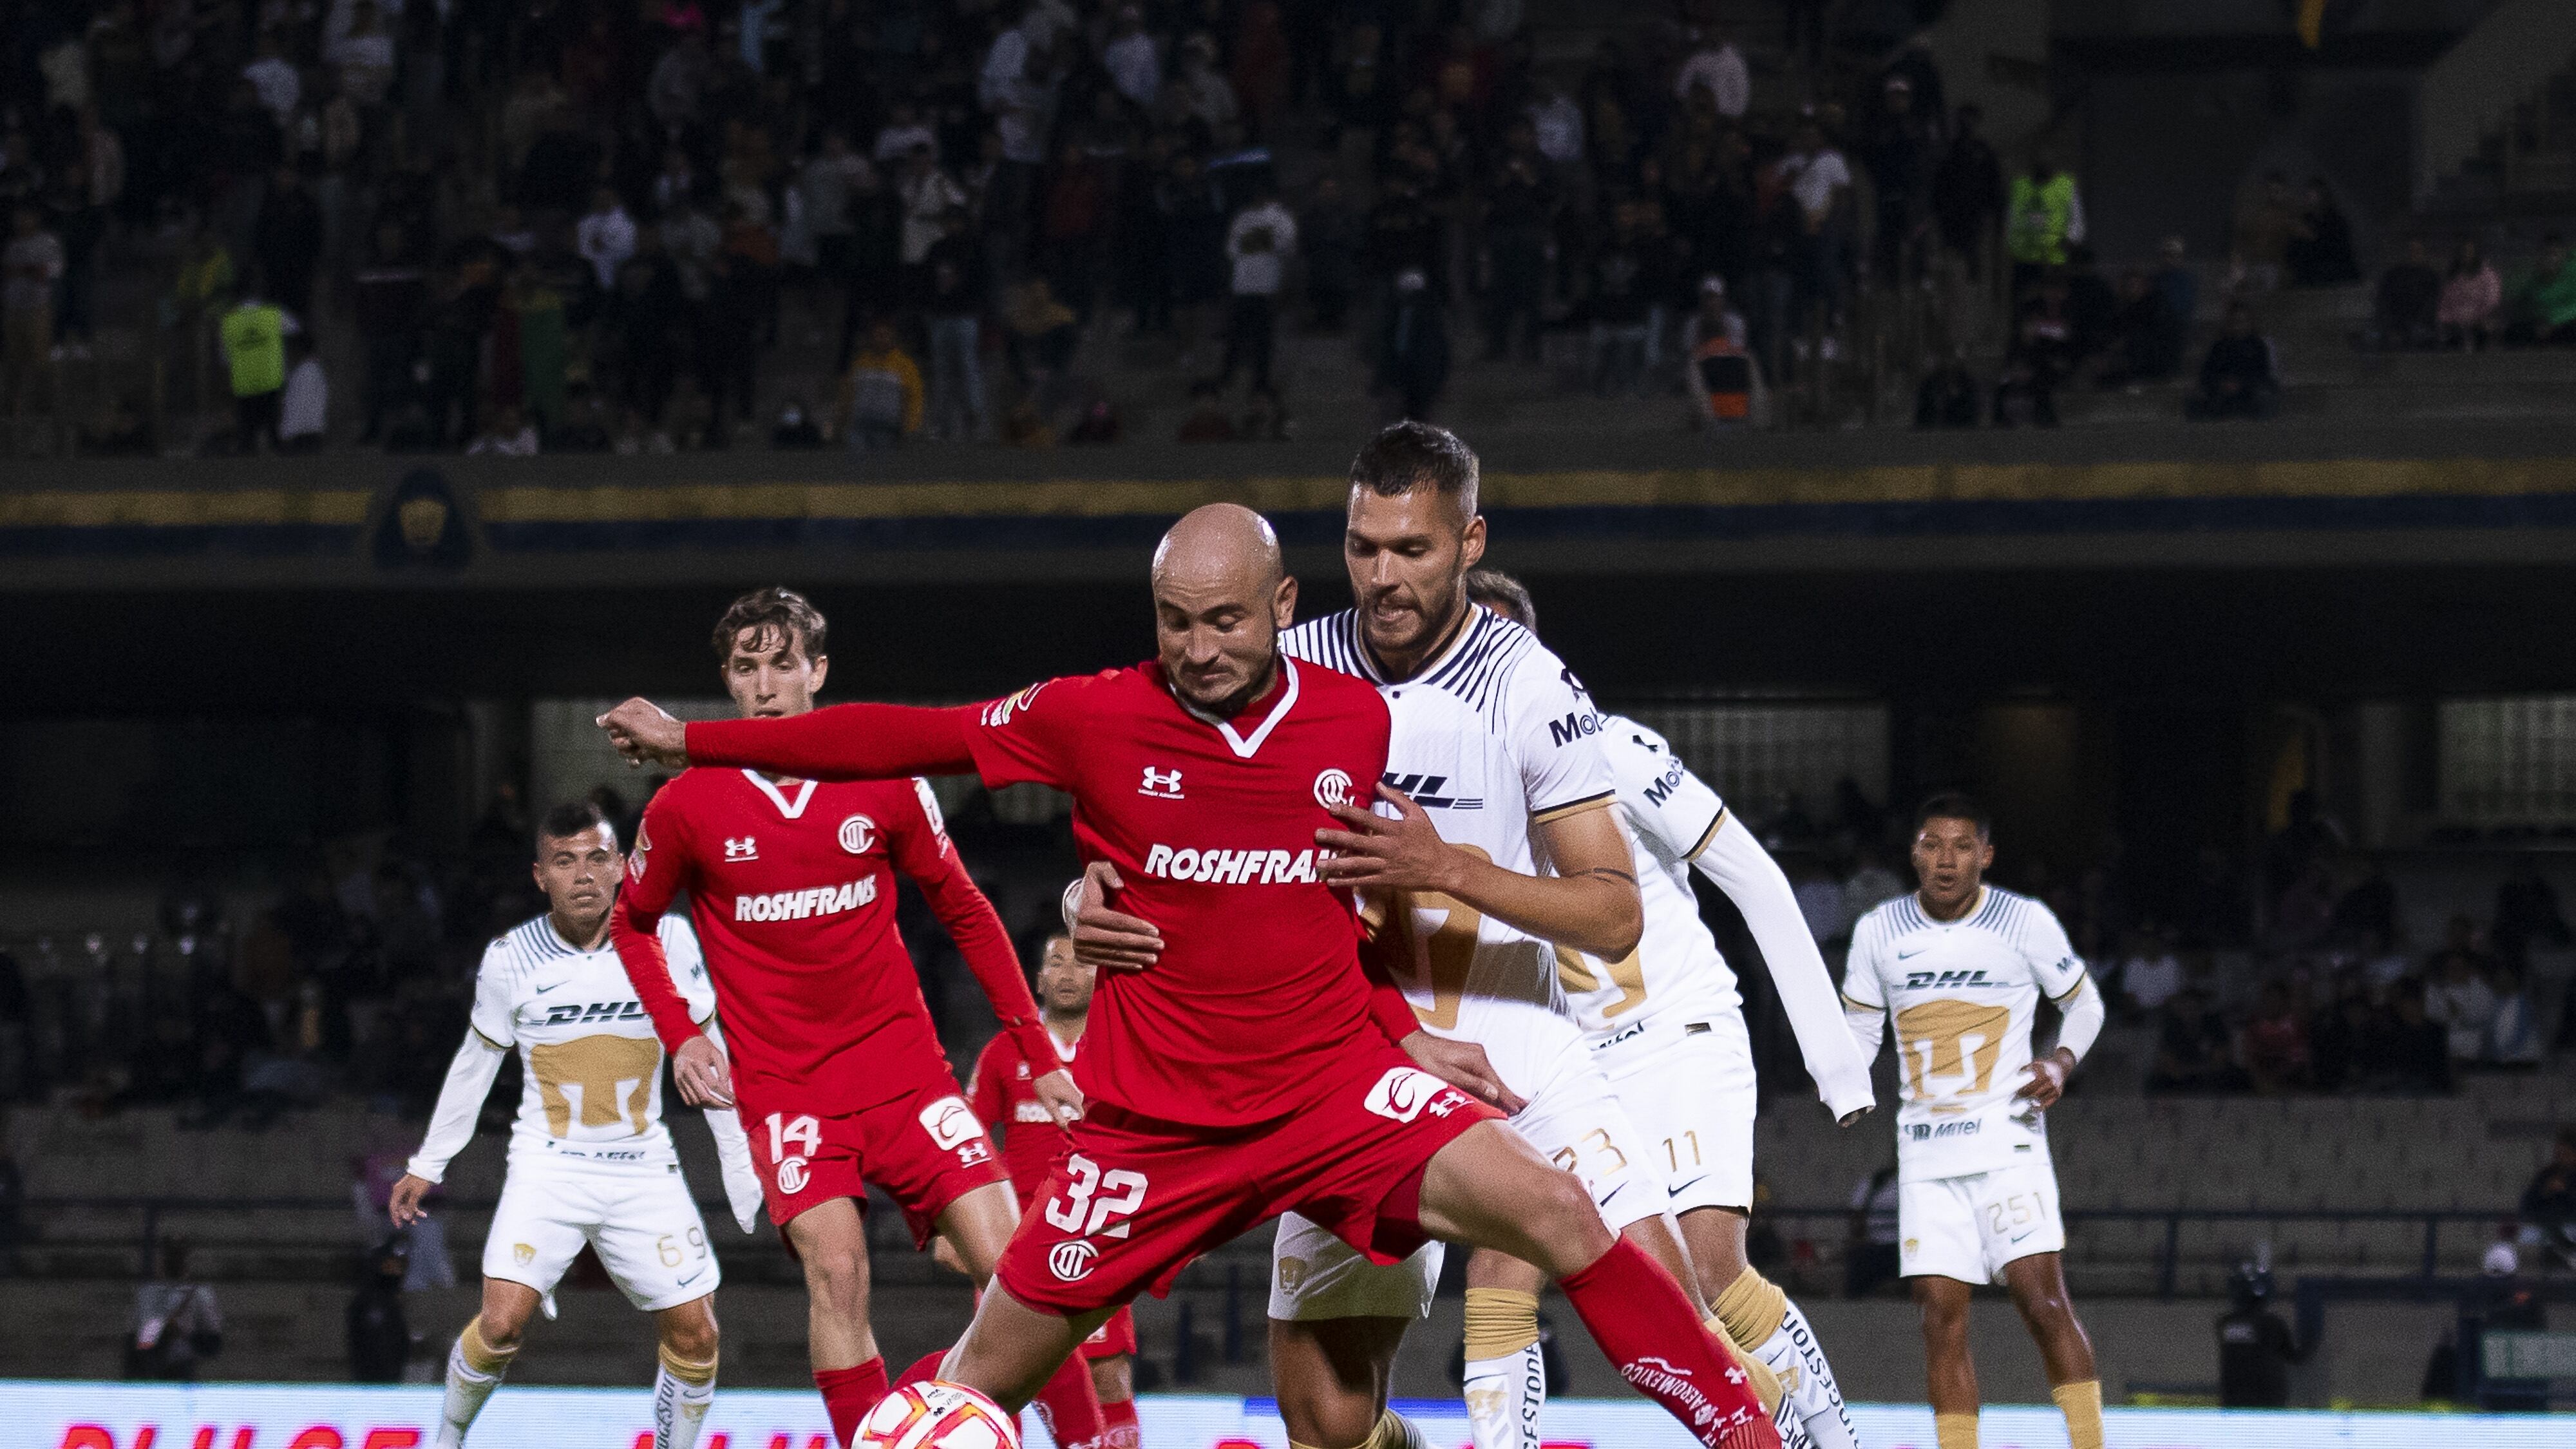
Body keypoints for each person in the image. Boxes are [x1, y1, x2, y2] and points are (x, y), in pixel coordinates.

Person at [595, 507, 1785, 1449]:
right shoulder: (1091, 716)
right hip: (1152, 1131)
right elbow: (899, 735)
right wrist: (696, 742)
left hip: (1335, 1092)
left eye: (1224, 620)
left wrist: (1398, 1033)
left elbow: (1334, 921)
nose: (1199, 650)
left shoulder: (1352, 725)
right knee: (967, 1394)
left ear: (1280, 605)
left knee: (1560, 1210)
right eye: (1174, 622)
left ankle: (1745, 1436)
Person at [607, 589, 1096, 1449]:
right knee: (837, 1271)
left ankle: (1087, 1441)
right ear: (727, 679)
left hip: (906, 1075)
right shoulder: (688, 805)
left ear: (818, 671)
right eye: (745, 668)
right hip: (791, 1092)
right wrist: (681, 1032)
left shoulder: (882, 777)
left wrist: (1036, 1047)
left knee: (1021, 1269)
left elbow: (968, 910)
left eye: (782, 663)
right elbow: (630, 920)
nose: (764, 685)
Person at [1464, 567, 1877, 1449]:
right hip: (1566, 1068)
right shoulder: (1444, 791)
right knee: (1499, 1266)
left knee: (1712, 1265)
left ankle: (1825, 1437)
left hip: (1676, 1036)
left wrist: (1835, 1058)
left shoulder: (1611, 749)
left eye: (1494, 644)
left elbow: (1756, 878)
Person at [390, 800, 757, 1449]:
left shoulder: (667, 940)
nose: (582, 874)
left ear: (621, 867)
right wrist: (428, 1163)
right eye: (565, 862)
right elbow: (476, 1066)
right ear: (541, 876)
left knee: (698, 1333)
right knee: (500, 1324)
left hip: (643, 1165)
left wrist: (739, 1162)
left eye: (596, 859)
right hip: (548, 1164)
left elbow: (710, 1052)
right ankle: (445, 1440)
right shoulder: (511, 957)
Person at [1842, 793, 2108, 1449]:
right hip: (1926, 1155)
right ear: (1913, 852)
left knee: (2042, 1304)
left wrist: (2061, 1063)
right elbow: (1858, 1029)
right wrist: (1838, 1077)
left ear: (1985, 855)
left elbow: (2086, 1006)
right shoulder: (1878, 929)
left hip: (2006, 1145)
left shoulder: (2025, 922)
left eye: (1962, 847)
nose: (1946, 860)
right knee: (1939, 1318)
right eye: (1932, 845)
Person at [969, 936, 1146, 1449]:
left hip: (1098, 1233)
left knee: (1107, 1371)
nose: (1068, 972)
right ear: (1039, 979)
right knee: (998, 1375)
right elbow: (971, 1132)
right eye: (1055, 961)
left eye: (1082, 962)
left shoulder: (1122, 1043)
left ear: (1101, 976)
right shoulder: (1005, 1051)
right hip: (1015, 1241)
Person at [1209, 180, 1295, 395]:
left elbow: (1286, 246)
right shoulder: (1242, 218)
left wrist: (1253, 242)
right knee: (1235, 334)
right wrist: (1261, 241)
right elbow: (1232, 249)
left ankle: (1261, 381)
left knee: (1264, 337)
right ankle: (1227, 374)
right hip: (1243, 285)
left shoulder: (1281, 218)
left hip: (1267, 286)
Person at [220, 276, 299, 453]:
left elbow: (224, 357)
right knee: (274, 432)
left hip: (244, 383)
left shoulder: (229, 321)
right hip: (271, 379)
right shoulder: (273, 314)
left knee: (247, 437)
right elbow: (296, 329)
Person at [127, 1239, 223, 1381]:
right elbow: (143, 1340)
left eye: (179, 1257)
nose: (175, 1261)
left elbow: (213, 1340)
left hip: (187, 1365)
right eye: (171, 1257)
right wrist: (165, 1327)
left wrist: (187, 1335)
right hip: (154, 1365)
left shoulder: (200, 1294)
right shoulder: (149, 1294)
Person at [2215, 1262, 2306, 1408]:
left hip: (2234, 1403)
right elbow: (2295, 1356)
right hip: (2268, 1402)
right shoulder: (2272, 1324)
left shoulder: (2224, 1324)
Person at [839, 319, 924, 450]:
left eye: (885, 335)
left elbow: (913, 399)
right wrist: (841, 423)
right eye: (877, 335)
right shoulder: (860, 363)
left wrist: (909, 427)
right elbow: (848, 395)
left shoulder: (905, 366)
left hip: (888, 429)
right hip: (859, 427)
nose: (881, 339)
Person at [2187, 304, 2279, 421]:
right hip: (2221, 389)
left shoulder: (2258, 345)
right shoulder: (2220, 346)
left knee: (2264, 397)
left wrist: (2242, 383)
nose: (2238, 326)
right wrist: (2223, 383)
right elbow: (2207, 372)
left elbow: (2263, 372)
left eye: (2242, 322)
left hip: (2249, 389)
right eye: (2235, 322)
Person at [2005, 155, 2083, 290]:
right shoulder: (2021, 186)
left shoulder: (2065, 186)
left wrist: (2069, 240)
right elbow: (2011, 221)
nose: (2044, 166)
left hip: (2055, 262)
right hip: (2025, 262)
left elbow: (2077, 221)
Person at [347, 1236, 413, 1383]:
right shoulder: (369, 1301)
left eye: (399, 1264)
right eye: (391, 1263)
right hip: (372, 1379)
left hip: (391, 1376)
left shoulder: (392, 1299)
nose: (397, 1269)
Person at [2519, 1125, 2576, 1271]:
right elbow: (2527, 1204)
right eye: (2558, 1153)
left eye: (2566, 1154)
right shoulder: (2547, 1174)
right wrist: (2545, 1191)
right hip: (2549, 1224)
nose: (2560, 1158)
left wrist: (2566, 1192)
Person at [2372, 240, 2441, 351]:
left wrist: (2415, 324)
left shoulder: (2431, 277)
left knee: (2420, 336)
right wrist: (2393, 326)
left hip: (2420, 323)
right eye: (2411, 251)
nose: (2414, 254)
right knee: (2374, 337)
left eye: (2417, 251)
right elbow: (2384, 300)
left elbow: (2432, 304)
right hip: (2394, 322)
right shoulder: (2393, 276)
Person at [2439, 240, 2501, 351]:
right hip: (2456, 322)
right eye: (2464, 252)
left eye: (2470, 252)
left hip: (2480, 320)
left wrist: (2475, 318)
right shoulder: (2453, 277)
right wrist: (2447, 319)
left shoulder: (2488, 276)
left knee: (2484, 331)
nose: (2466, 255)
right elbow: (2445, 304)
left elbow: (2492, 301)